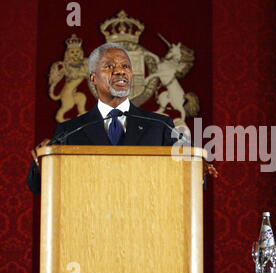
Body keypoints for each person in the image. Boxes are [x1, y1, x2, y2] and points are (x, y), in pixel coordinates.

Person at [27, 43, 217, 194]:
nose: (120, 71)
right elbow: (38, 187)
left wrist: (198, 171)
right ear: (93, 78)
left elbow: (189, 182)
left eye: (125, 66)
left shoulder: (160, 126)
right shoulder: (69, 131)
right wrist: (40, 164)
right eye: (110, 66)